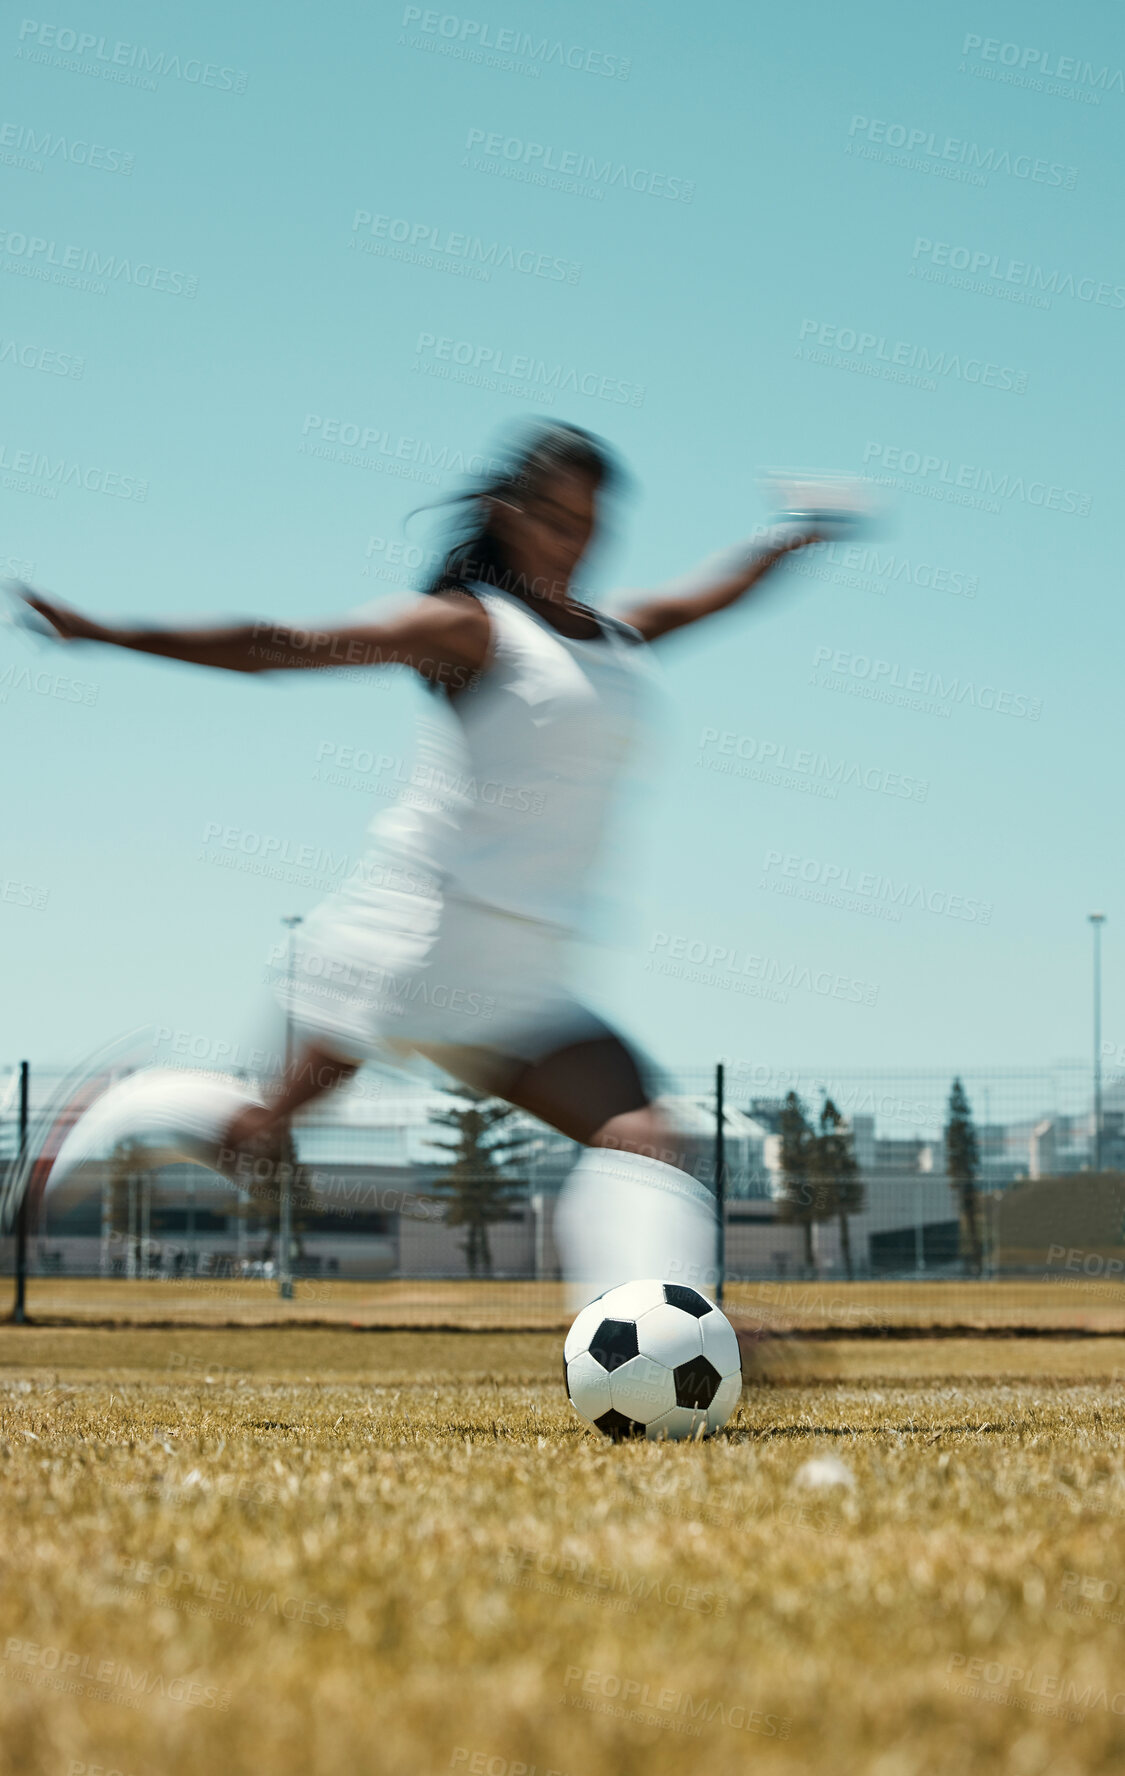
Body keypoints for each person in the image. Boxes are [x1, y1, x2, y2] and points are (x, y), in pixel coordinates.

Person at [23, 420, 844, 1303]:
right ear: (507, 515)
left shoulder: (619, 635)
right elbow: (282, 645)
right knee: (259, 1140)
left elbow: (709, 595)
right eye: (558, 517)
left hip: (527, 974)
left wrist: (785, 537)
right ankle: (133, 1107)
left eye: (592, 519)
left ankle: (660, 1332)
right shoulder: (470, 629)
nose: (578, 539)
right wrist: (106, 631)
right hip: (421, 937)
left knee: (643, 1137)